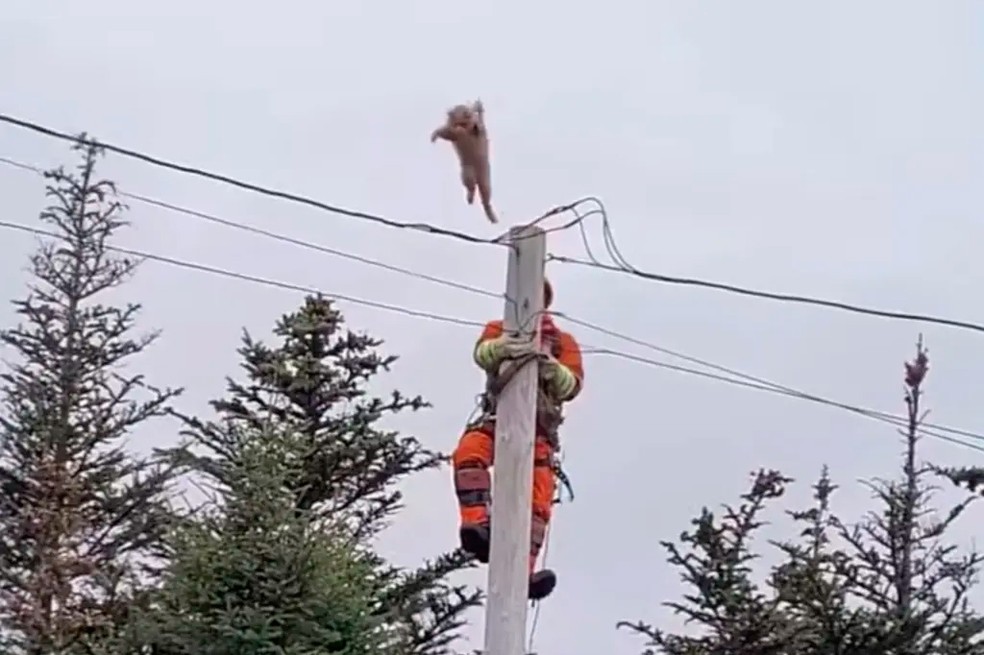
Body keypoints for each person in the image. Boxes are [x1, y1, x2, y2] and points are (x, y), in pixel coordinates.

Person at [451, 278, 584, 600]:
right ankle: (477, 525)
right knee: (469, 454)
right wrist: (502, 348)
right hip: (499, 418)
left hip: (539, 431)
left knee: (538, 500)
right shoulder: (498, 328)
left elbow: (574, 385)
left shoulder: (562, 341)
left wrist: (551, 369)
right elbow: (482, 354)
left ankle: (524, 569)